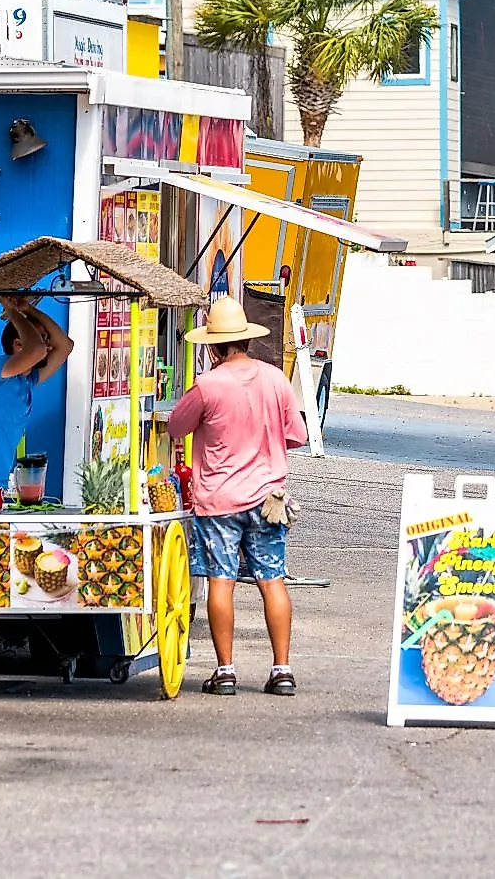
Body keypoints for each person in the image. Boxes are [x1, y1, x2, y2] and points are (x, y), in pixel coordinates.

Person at [164, 296, 308, 697]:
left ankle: (225, 671)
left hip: (219, 501)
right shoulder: (276, 379)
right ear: (244, 340)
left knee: (221, 582)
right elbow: (296, 434)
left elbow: (177, 427)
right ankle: (282, 671)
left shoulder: (207, 386)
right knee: (272, 580)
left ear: (213, 346)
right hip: (268, 499)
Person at [0, 302, 72, 512]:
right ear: (18, 344)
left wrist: (28, 309)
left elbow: (65, 346)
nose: (48, 346)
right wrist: (13, 313)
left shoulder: (27, 381)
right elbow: (36, 350)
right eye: (43, 339)